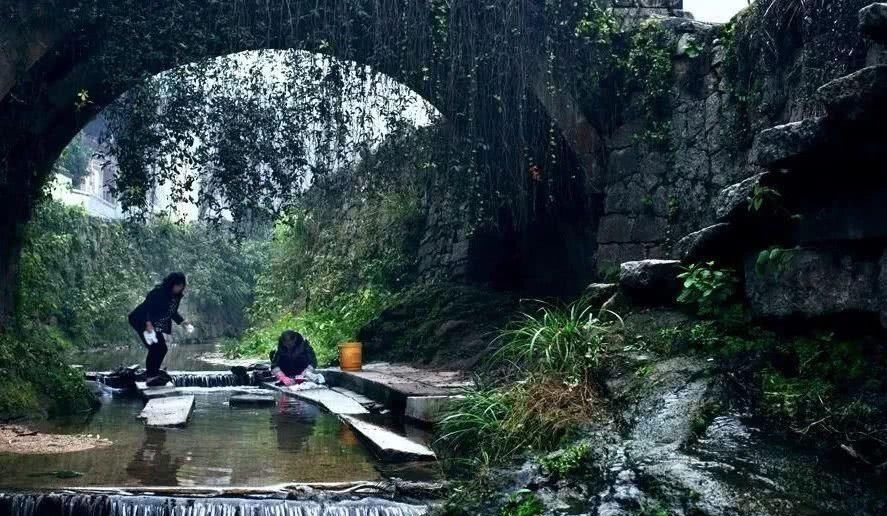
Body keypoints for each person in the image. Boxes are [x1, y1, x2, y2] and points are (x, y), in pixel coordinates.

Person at [128, 272, 193, 384]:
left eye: (182, 286)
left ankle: (153, 374)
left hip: (153, 324)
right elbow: (147, 308)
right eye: (178, 286)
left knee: (162, 348)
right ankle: (151, 377)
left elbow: (172, 312)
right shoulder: (158, 292)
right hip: (141, 320)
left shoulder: (176, 297)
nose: (180, 288)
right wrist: (148, 324)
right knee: (155, 348)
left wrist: (182, 322)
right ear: (171, 284)